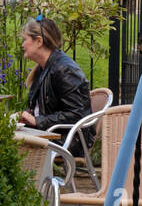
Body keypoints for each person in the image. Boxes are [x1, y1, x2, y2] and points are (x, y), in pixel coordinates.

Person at [20, 16, 94, 157]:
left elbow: (77, 114)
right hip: (51, 133)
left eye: (25, 39)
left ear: (39, 41)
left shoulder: (64, 69)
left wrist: (38, 121)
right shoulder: (43, 68)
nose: (23, 45)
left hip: (69, 140)